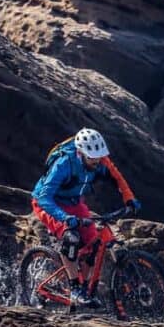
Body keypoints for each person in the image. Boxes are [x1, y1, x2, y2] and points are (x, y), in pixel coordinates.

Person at [31, 128, 141, 305]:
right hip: (49, 204)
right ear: (80, 152)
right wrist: (64, 218)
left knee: (93, 243)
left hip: (74, 203)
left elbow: (118, 178)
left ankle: (84, 288)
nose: (96, 161)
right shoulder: (64, 163)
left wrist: (130, 199)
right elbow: (44, 197)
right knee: (71, 238)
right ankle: (75, 289)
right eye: (92, 157)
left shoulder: (100, 160)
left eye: (99, 157)